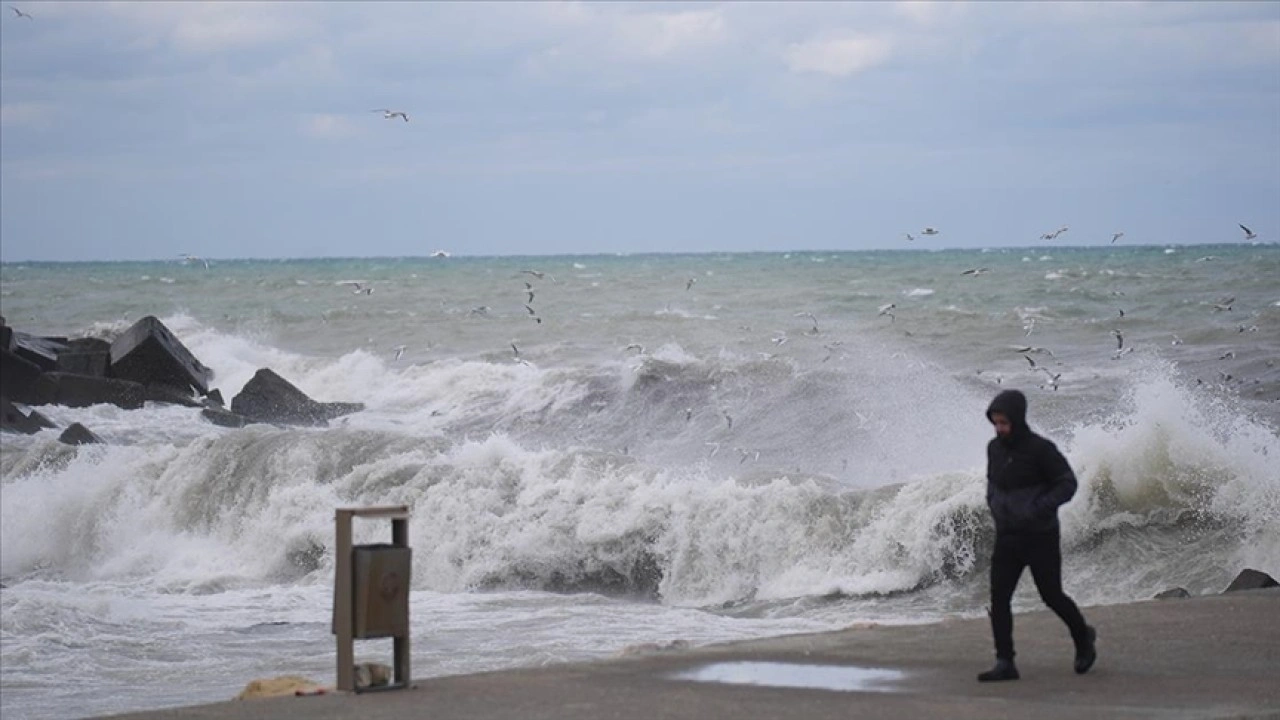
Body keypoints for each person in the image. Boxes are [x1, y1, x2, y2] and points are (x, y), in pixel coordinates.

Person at [978, 389, 1096, 682]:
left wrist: (1037, 509)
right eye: (995, 422)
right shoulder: (994, 448)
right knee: (999, 598)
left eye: (1004, 422)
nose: (999, 428)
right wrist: (994, 504)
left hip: (1039, 535)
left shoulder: (1041, 450)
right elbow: (993, 483)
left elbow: (1067, 484)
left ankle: (1083, 637)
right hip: (1007, 536)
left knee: (1051, 595)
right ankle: (1005, 662)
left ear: (1017, 419)